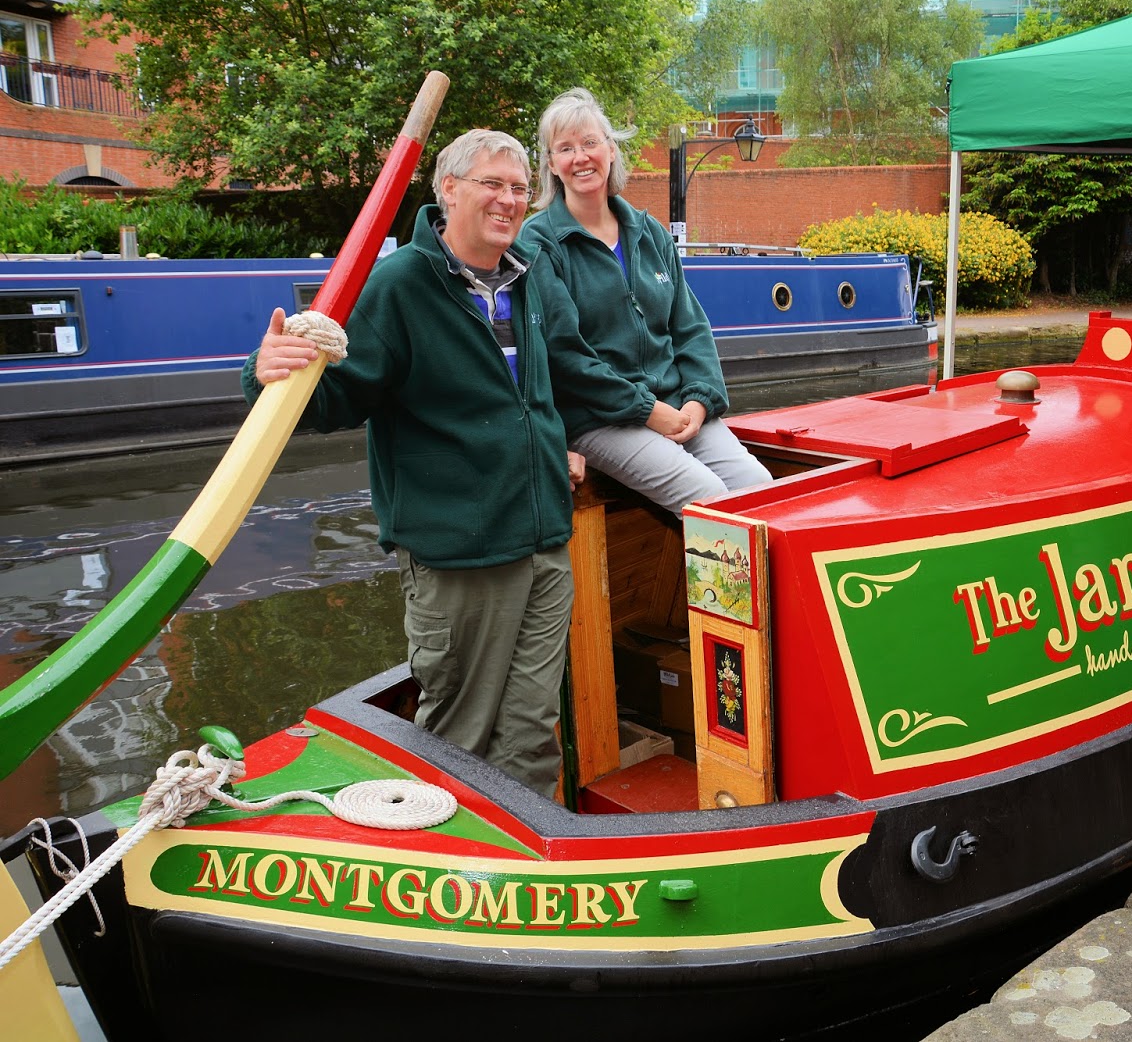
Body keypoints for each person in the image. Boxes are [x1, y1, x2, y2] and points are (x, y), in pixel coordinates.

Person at [244, 129, 582, 799]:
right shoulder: (400, 285)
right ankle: (454, 879)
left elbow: (538, 393)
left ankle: (521, 886)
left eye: (519, 189)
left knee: (531, 730)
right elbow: (338, 397)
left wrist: (561, 447)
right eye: (492, 184)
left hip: (545, 541)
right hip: (462, 555)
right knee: (458, 738)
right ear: (448, 189)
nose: (509, 201)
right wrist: (266, 375)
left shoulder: (525, 277)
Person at [521, 87, 772, 517]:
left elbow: (690, 328)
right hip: (600, 417)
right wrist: (647, 410)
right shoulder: (540, 242)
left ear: (611, 150)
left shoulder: (648, 231)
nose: (580, 157)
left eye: (590, 143)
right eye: (565, 148)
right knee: (708, 501)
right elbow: (565, 356)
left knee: (760, 488)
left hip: (676, 404)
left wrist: (698, 400)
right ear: (550, 165)